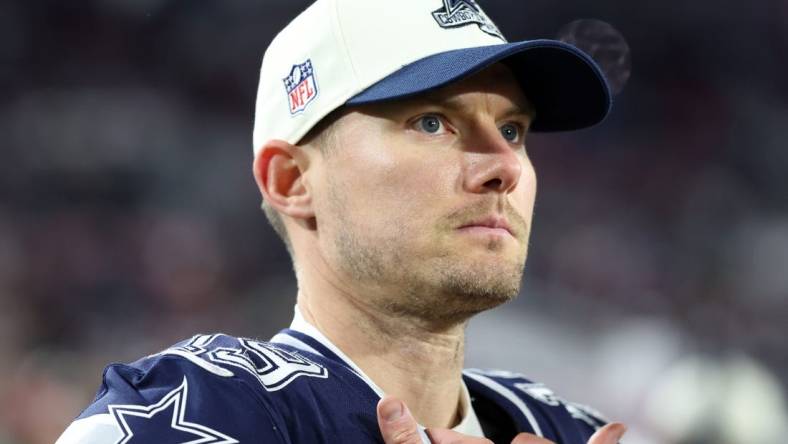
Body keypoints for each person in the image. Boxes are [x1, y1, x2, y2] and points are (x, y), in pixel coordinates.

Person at [57, 0, 626, 442]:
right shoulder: (194, 412)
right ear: (292, 181)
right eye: (432, 123)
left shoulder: (566, 428)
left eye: (512, 130)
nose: (504, 165)